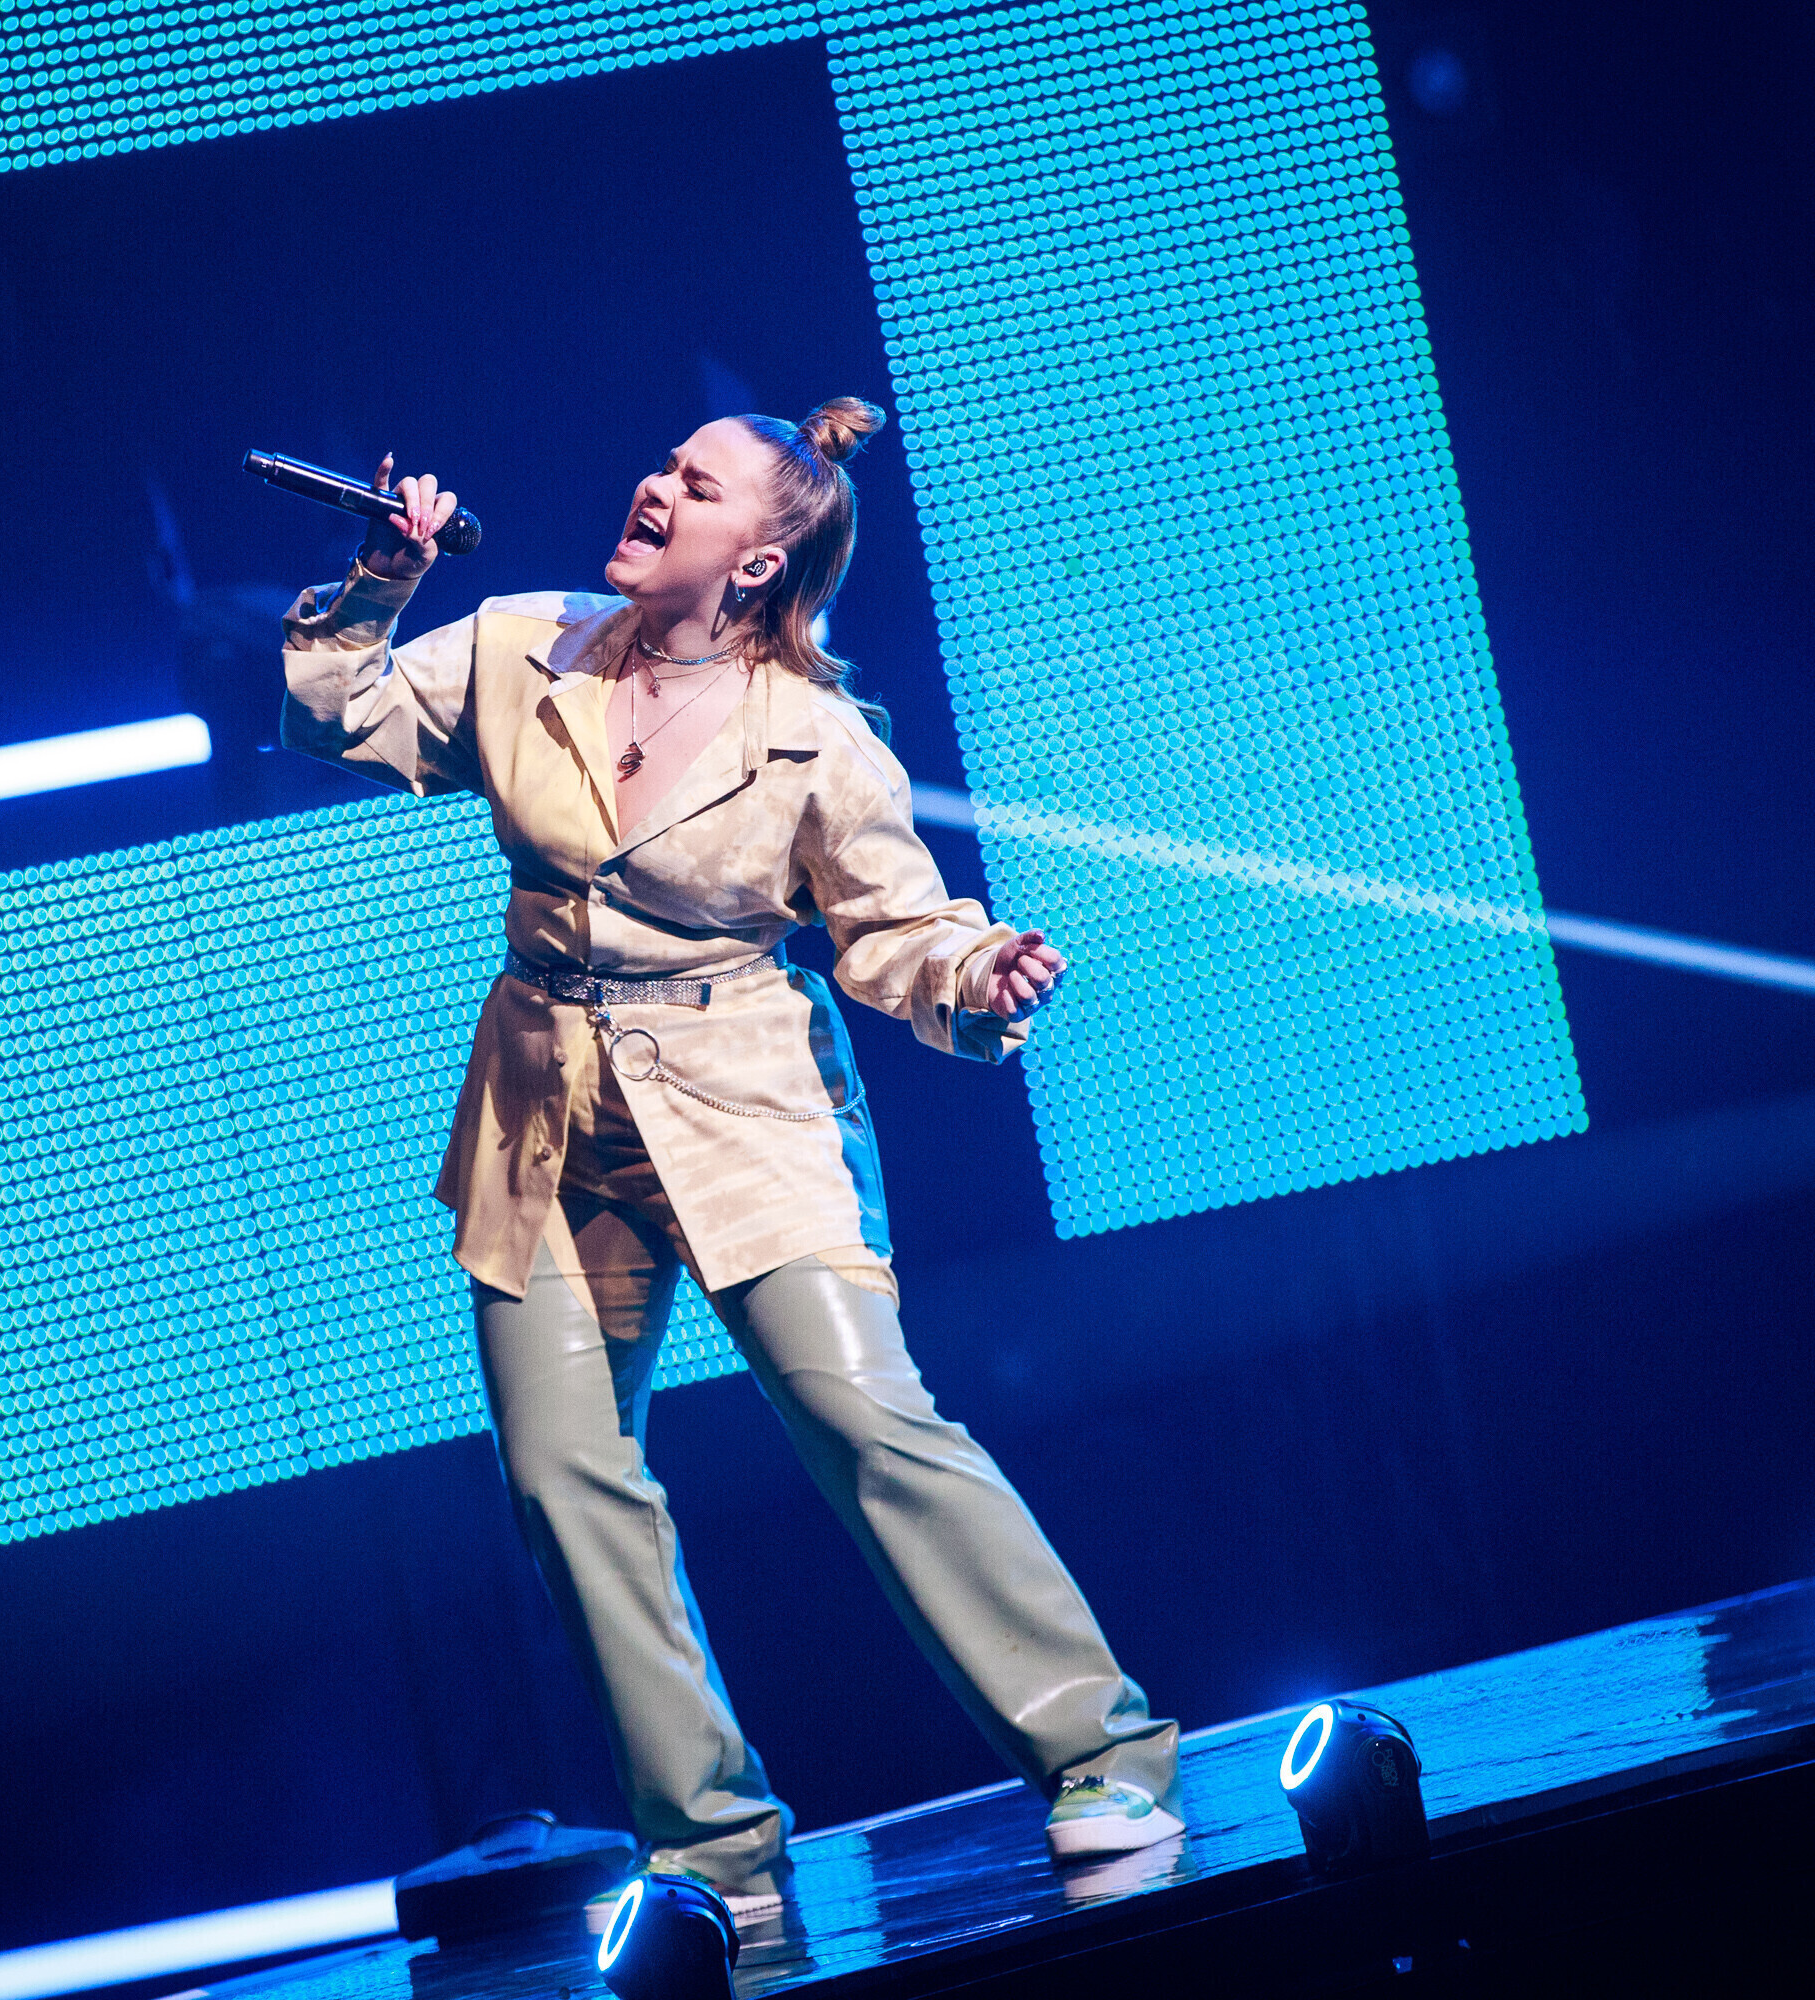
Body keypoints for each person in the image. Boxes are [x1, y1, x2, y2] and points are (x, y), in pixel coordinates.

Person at [280, 397, 1178, 1912]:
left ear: (757, 561)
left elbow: (897, 927)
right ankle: (710, 1845)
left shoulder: (815, 737)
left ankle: (1105, 1748)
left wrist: (978, 973)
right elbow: (335, 717)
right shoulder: (523, 645)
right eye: (662, 465)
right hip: (544, 1109)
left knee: (864, 1418)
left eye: (694, 486)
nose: (653, 487)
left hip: (740, 1101)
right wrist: (383, 578)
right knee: (565, 1476)